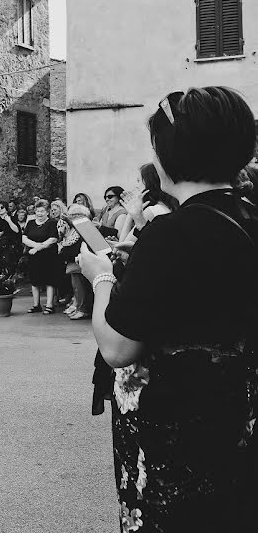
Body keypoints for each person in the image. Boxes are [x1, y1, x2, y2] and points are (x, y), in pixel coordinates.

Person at [78, 86, 258, 531]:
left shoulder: (174, 232)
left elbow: (118, 348)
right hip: (243, 416)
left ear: (171, 154)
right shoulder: (248, 214)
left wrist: (100, 277)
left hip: (185, 431)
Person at [22, 200, 61, 314]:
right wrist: (35, 246)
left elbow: (53, 238)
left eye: (42, 211)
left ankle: (49, 305)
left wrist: (38, 248)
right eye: (37, 211)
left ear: (47, 212)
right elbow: (24, 238)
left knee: (49, 280)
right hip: (34, 256)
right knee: (35, 280)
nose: (39, 213)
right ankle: (36, 305)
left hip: (49, 256)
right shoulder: (30, 223)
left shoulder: (52, 223)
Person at [57, 204, 90, 320]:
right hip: (72, 262)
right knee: (76, 287)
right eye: (71, 215)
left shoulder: (85, 226)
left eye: (75, 215)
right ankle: (79, 307)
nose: (72, 217)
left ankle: (83, 309)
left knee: (82, 288)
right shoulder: (73, 229)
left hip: (81, 261)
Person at [0, 201, 20, 275]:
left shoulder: (12, 218)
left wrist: (8, 220)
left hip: (10, 245)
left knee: (8, 263)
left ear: (6, 209)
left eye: (2, 207)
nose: (0, 209)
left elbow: (17, 230)